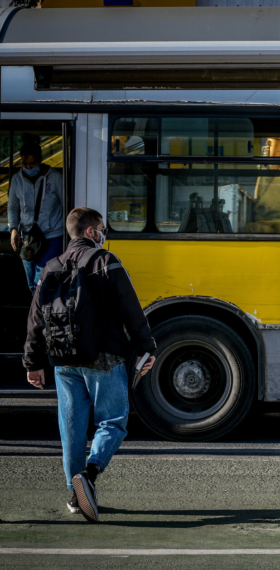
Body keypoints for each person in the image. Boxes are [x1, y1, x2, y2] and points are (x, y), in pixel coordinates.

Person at [23, 207, 157, 523]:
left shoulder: (49, 267)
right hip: (103, 356)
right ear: (90, 232)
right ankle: (91, 474)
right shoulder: (105, 261)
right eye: (101, 228)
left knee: (71, 430)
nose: (103, 233)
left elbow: (35, 318)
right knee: (113, 421)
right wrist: (146, 348)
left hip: (63, 361)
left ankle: (74, 495)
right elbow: (131, 309)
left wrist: (33, 361)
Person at [8, 139, 65, 294]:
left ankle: (42, 317)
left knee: (42, 280)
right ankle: (39, 314)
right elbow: (12, 207)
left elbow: (66, 205)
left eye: (32, 164)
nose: (28, 168)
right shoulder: (16, 180)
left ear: (40, 160)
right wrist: (13, 229)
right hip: (28, 238)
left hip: (52, 235)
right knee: (32, 283)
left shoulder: (55, 178)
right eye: (25, 164)